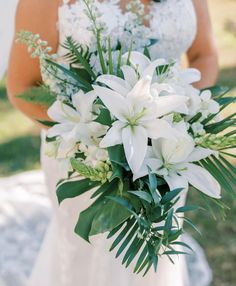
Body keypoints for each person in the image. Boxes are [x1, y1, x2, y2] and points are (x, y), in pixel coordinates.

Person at [7, 1, 218, 285]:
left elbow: (204, 55)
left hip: (167, 150)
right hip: (86, 157)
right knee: (88, 254)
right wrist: (92, 137)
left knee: (155, 250)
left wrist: (181, 115)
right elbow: (22, 87)